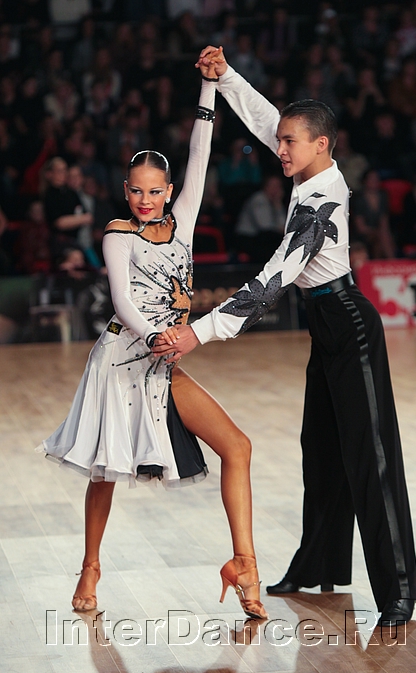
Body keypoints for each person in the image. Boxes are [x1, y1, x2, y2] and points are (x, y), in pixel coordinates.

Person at [153, 46, 416, 627]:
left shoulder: (321, 201)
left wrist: (199, 332)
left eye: (289, 143)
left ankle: (398, 589)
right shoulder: (308, 167)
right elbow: (266, 118)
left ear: (320, 145)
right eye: (280, 142)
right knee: (320, 448)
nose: (279, 148)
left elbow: (273, 280)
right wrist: (227, 77)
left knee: (370, 457)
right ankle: (318, 564)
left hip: (350, 324)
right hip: (324, 325)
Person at [37, 54, 267, 622]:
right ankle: (90, 566)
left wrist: (209, 87)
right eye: (137, 191)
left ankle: (244, 564)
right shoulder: (118, 233)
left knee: (237, 447)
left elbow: (200, 152)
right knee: (105, 470)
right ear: (126, 191)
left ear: (168, 191)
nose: (146, 200)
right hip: (123, 356)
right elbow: (122, 300)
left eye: (155, 191)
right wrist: (159, 335)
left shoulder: (183, 220)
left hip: (164, 361)